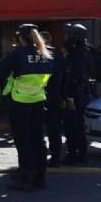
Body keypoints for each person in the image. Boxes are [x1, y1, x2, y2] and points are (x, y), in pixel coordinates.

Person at [0, 24, 54, 191]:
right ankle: (40, 177)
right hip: (38, 102)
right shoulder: (47, 55)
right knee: (38, 139)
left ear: (20, 38)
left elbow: (0, 71)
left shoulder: (17, 55)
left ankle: (25, 178)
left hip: (20, 102)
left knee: (24, 142)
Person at [61, 23, 95, 165]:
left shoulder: (79, 54)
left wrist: (68, 96)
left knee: (73, 126)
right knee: (74, 125)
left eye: (69, 36)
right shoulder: (82, 51)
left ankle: (76, 155)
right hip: (78, 93)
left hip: (75, 94)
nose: (66, 39)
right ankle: (78, 154)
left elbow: (74, 76)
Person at [41, 31, 66, 167]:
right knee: (54, 129)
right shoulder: (58, 57)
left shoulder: (39, 57)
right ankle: (55, 157)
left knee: (37, 129)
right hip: (55, 96)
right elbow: (63, 79)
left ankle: (40, 156)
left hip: (38, 96)